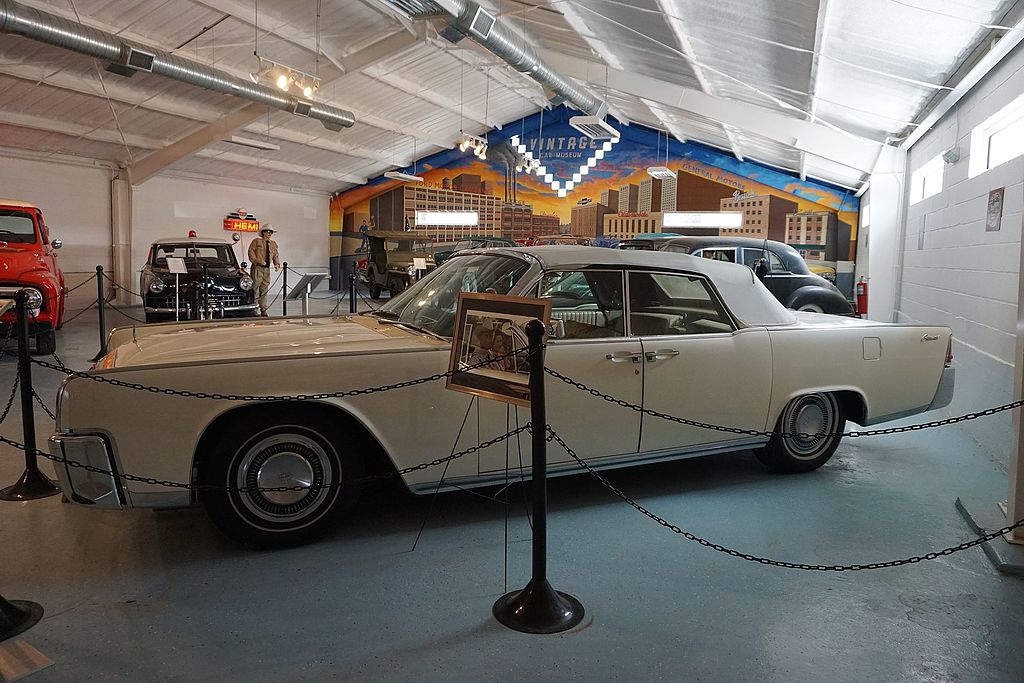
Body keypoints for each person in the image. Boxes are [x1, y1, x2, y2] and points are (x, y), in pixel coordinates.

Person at [247, 225, 281, 316]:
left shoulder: (273, 244)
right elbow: (251, 252)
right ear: (263, 232)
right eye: (267, 231)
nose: (269, 233)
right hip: (258, 268)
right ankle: (254, 308)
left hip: (267, 269)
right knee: (255, 288)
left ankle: (263, 308)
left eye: (271, 232)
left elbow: (275, 255)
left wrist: (277, 264)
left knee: (264, 288)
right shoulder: (256, 241)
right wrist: (257, 260)